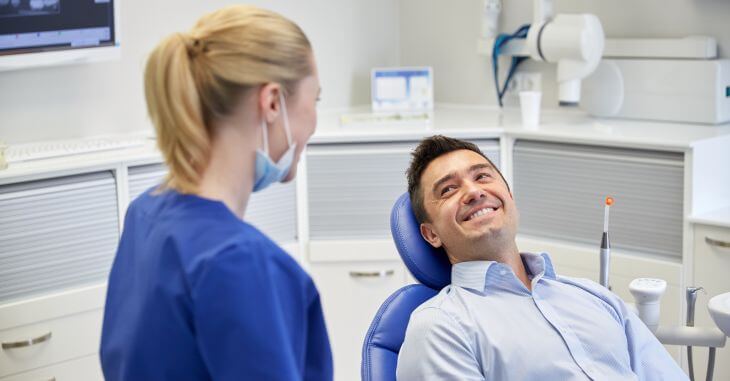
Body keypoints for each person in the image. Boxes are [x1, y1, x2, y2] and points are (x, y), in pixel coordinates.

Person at [100, 5, 332, 381]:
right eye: (315, 99)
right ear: (273, 102)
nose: (315, 119)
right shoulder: (241, 262)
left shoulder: (144, 213)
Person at [396, 135, 687, 380]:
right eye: (449, 189)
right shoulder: (440, 327)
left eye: (482, 176)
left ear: (509, 198)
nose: (473, 192)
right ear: (430, 234)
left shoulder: (594, 297)